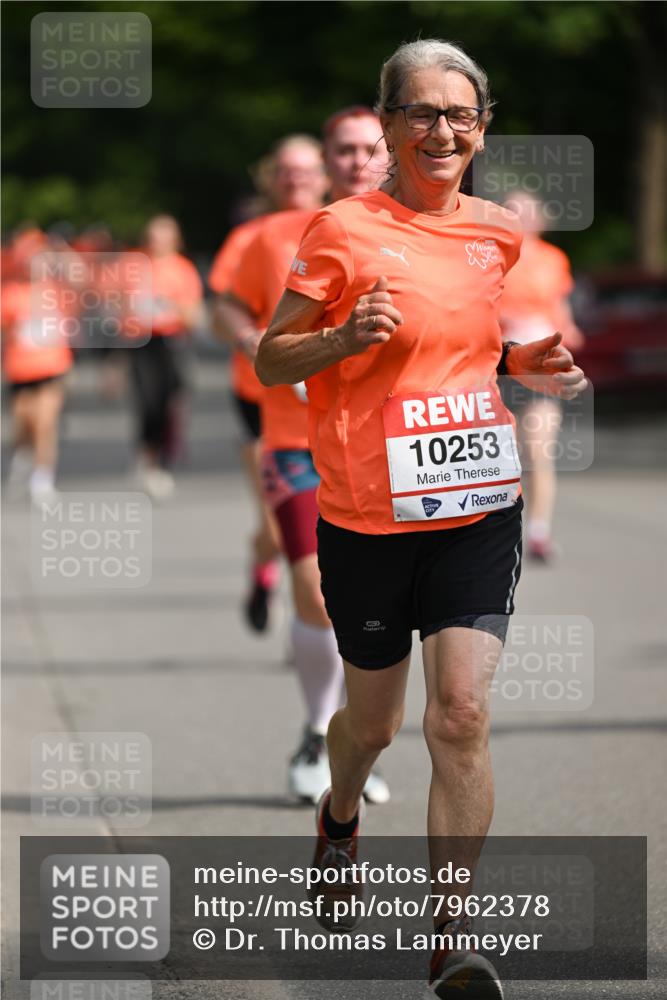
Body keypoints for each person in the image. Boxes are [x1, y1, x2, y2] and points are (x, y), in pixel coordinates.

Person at [256, 39, 587, 997]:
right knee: (373, 725)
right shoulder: (341, 229)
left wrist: (521, 368)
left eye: (460, 114)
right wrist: (340, 335)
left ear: (481, 126)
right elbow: (273, 361)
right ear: (390, 123)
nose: (441, 131)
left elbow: (471, 350)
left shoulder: (496, 233)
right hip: (365, 514)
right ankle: (342, 810)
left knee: (461, 714)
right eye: (420, 113)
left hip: (474, 506)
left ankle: (452, 936)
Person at [221, 107, 390, 804]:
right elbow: (227, 306)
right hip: (290, 431)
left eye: (363, 150)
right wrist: (266, 344)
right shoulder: (266, 237)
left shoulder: (392, 228)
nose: (346, 164)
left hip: (380, 438)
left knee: (374, 603)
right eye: (339, 150)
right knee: (314, 586)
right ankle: (320, 731)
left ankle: (359, 739)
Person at [209, 135, 328, 631]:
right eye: (285, 170)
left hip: (335, 399)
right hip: (261, 399)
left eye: (306, 169)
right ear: (270, 178)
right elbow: (221, 311)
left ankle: (311, 617)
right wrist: (248, 339)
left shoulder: (352, 226)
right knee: (279, 525)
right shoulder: (251, 237)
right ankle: (272, 580)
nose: (296, 179)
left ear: (324, 177)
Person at [500, 191, 584, 562]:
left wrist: (567, 333)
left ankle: (538, 532)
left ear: (540, 219)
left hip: (543, 369)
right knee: (505, 455)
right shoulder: (493, 256)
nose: (519, 218)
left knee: (539, 450)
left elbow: (560, 311)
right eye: (512, 212)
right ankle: (497, 531)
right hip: (500, 366)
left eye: (526, 212)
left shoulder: (554, 259)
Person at [127, 215, 204, 500]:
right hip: (141, 342)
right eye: (154, 235)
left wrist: (170, 305)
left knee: (171, 402)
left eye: (165, 235)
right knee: (147, 402)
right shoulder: (135, 266)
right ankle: (147, 458)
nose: (158, 241)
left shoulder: (183, 270)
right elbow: (120, 309)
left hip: (172, 342)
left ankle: (162, 461)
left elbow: (194, 316)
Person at [2, 228, 74, 504]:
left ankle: (42, 479)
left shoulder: (58, 291)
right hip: (20, 368)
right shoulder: (10, 294)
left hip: (52, 366)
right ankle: (23, 456)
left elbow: (83, 281)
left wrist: (62, 250)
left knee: (45, 422)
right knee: (23, 423)